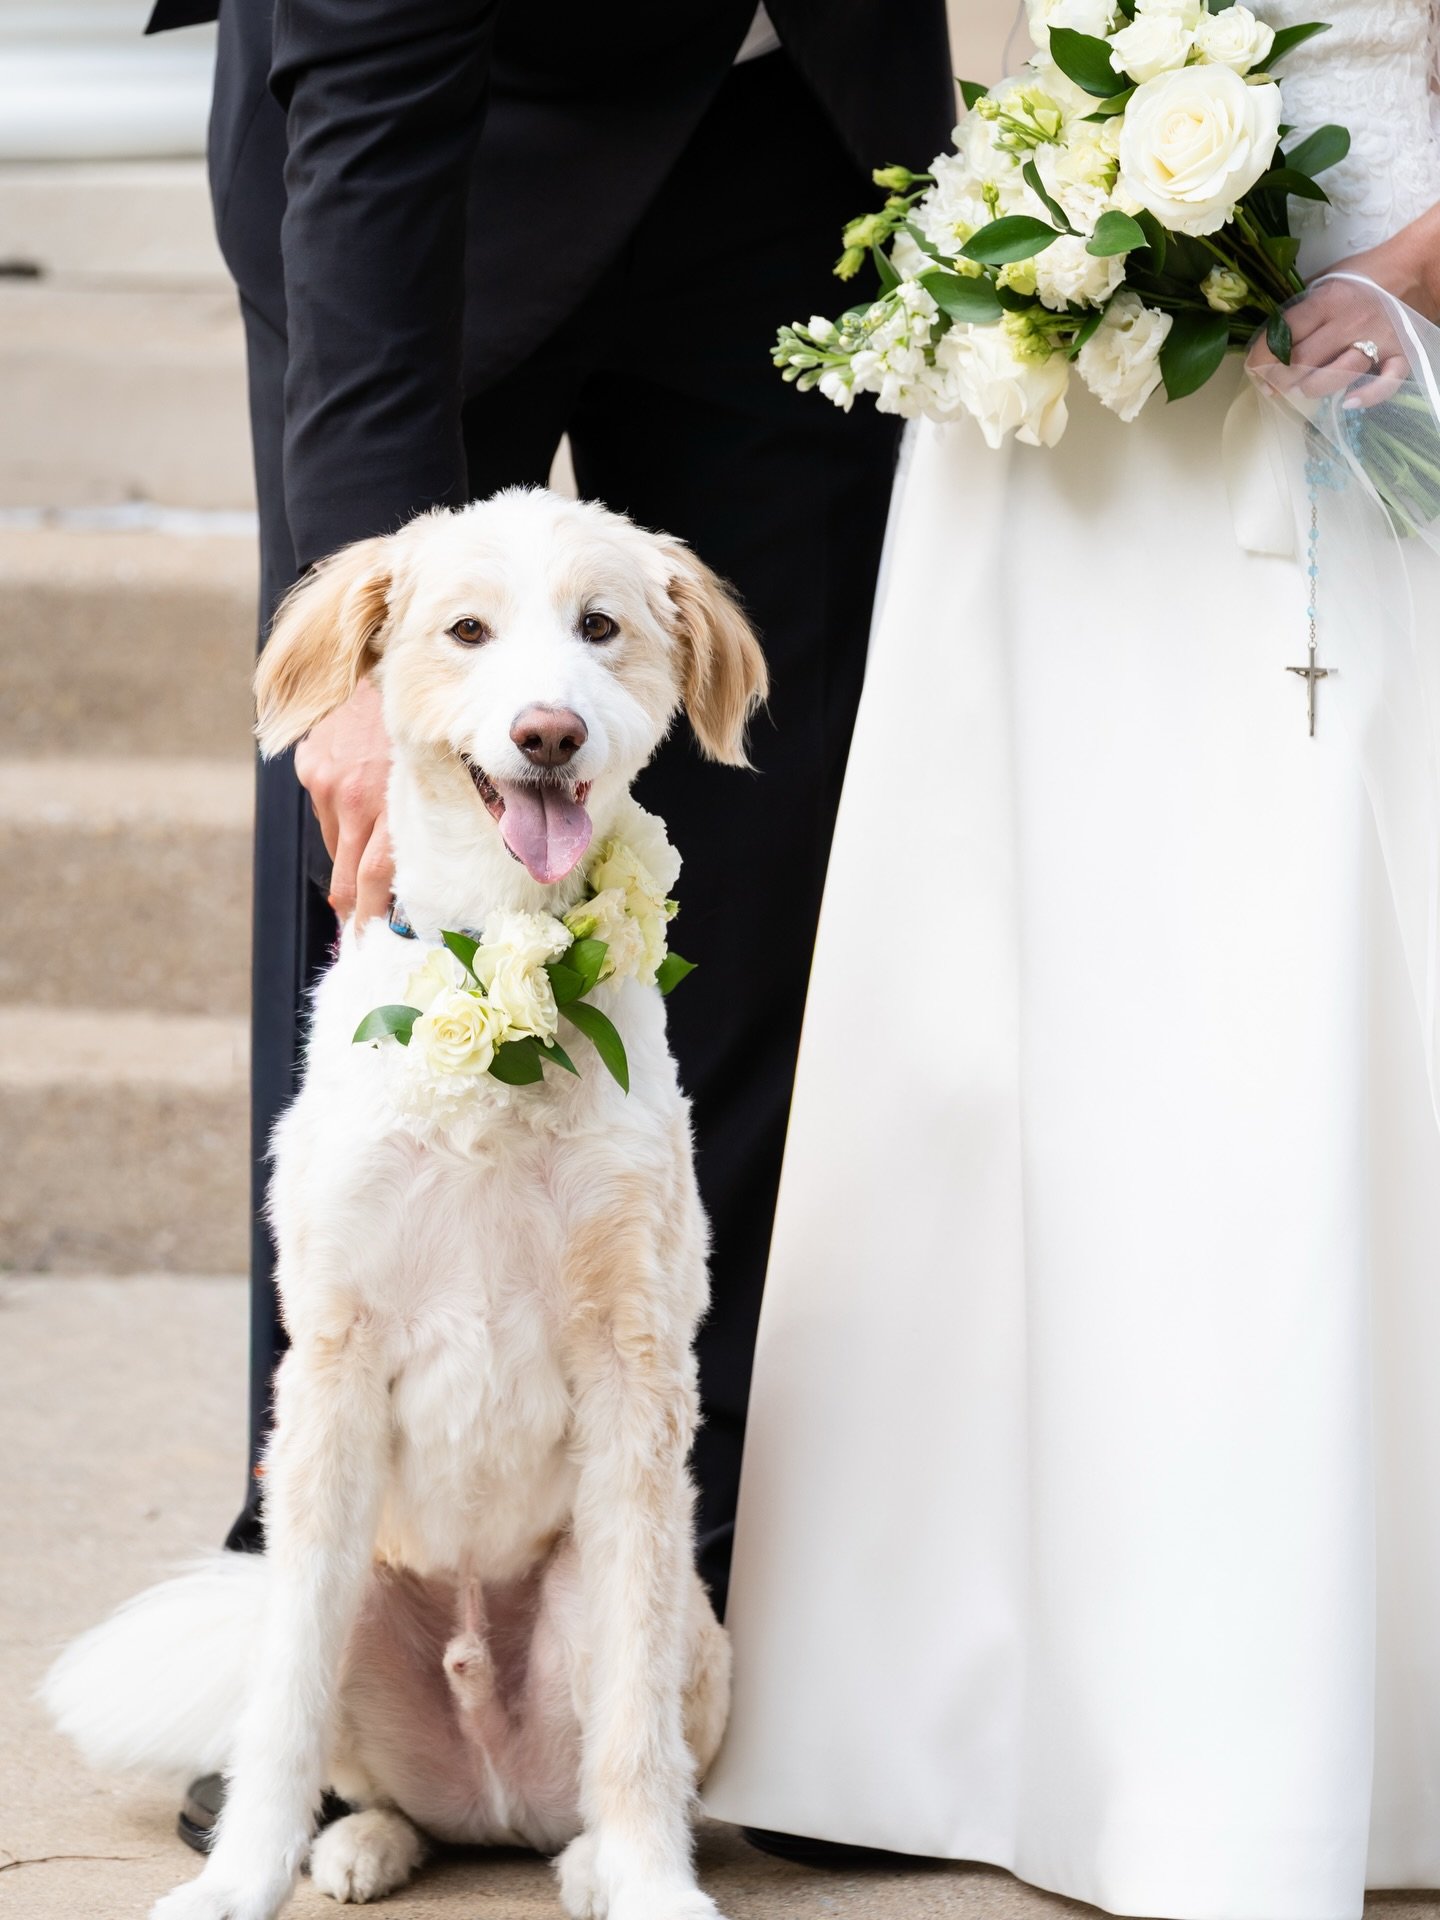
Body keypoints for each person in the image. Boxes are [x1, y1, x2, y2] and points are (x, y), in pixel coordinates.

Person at [703, 2, 1440, 1914]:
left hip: (1367, 320)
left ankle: (1277, 1729)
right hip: (1044, 351)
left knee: (1280, 974)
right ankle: (940, 1709)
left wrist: (1403, 266)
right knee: (1004, 983)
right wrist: (1030, 212)